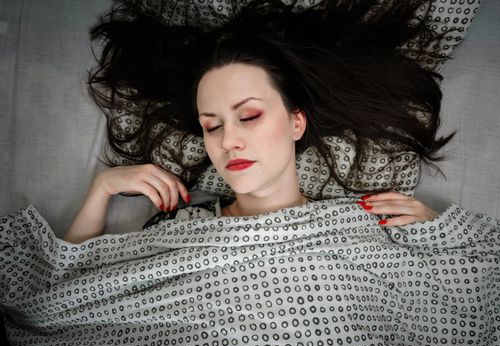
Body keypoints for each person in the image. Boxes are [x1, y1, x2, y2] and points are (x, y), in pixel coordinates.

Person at [64, 0, 449, 243]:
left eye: (248, 116)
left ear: (296, 123)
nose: (229, 140)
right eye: (211, 126)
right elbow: (73, 294)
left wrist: (440, 235)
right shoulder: (180, 225)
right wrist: (102, 189)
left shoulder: (356, 225)